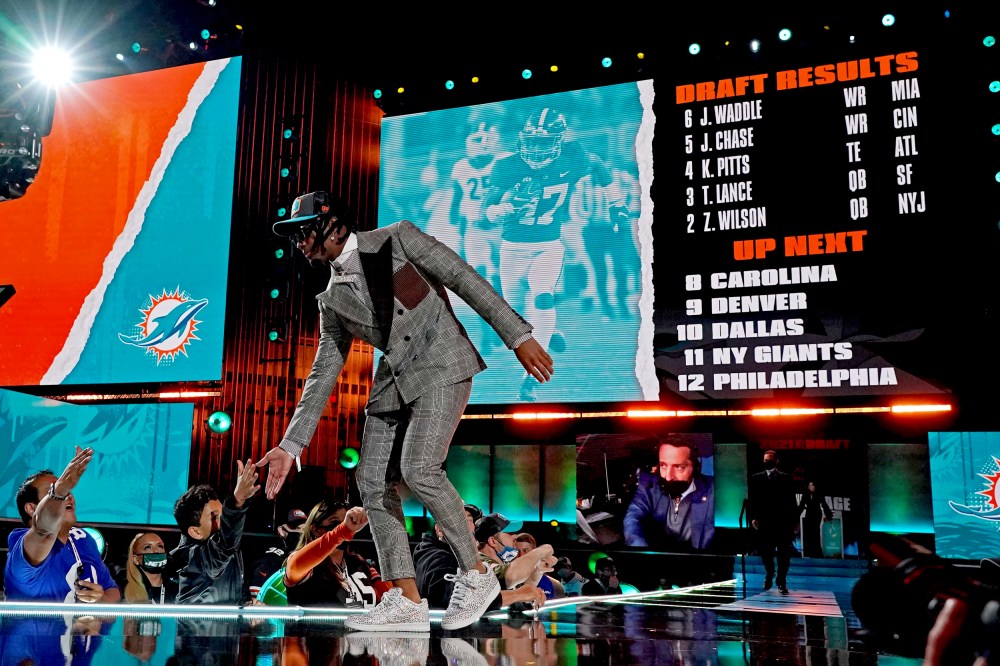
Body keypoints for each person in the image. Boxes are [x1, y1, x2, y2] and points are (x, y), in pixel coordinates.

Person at [257, 191, 554, 632]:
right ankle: (405, 599)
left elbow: (464, 279)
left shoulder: (398, 239)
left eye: (302, 230)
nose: (298, 241)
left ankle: (476, 575)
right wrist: (289, 444)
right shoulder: (331, 300)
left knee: (419, 469)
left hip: (442, 364)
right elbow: (323, 374)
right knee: (371, 480)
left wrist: (518, 336)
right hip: (393, 381)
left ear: (329, 221)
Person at [482, 107, 630, 401]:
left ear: (559, 140)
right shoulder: (507, 166)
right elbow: (487, 212)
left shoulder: (573, 159)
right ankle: (552, 329)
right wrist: (508, 209)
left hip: (549, 245)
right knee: (515, 317)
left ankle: (531, 378)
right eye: (531, 141)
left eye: (544, 142)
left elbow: (599, 166)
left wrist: (616, 203)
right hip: (511, 249)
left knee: (542, 295)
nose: (536, 149)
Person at [4, 446, 121, 603]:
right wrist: (59, 490)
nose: (68, 495)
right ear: (31, 509)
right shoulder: (22, 543)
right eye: (51, 491)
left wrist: (102, 601)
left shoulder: (84, 539)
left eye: (67, 491)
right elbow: (43, 529)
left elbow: (112, 592)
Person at [413, 504, 544, 611]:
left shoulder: (459, 559)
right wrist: (517, 594)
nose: (469, 526)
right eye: (460, 520)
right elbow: (453, 602)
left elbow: (490, 592)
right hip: (445, 640)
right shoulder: (438, 557)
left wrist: (520, 597)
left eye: (471, 521)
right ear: (439, 529)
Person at [170, 460, 259, 604]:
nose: (223, 522)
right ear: (195, 531)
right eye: (215, 517)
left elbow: (234, 597)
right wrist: (237, 501)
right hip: (194, 627)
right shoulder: (191, 558)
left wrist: (248, 605)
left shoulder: (230, 553)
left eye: (223, 515)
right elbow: (224, 547)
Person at [283, 499, 392, 608]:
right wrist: (343, 530)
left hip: (360, 624)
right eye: (335, 522)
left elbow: (391, 598)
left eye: (347, 521)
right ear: (315, 529)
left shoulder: (359, 563)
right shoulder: (303, 564)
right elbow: (295, 564)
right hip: (315, 625)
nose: (346, 525)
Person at [623, 439, 715, 552]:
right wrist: (645, 555)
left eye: (679, 467)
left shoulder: (713, 490)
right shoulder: (649, 486)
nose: (668, 477)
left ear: (695, 468)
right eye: (663, 466)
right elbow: (632, 519)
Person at [748, 449, 799, 594]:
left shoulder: (786, 478)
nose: (767, 462)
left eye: (769, 460)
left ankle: (781, 581)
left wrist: (794, 521)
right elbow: (753, 500)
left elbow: (792, 501)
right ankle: (770, 573)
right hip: (765, 522)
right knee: (766, 552)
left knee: (784, 553)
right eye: (765, 460)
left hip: (783, 522)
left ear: (776, 461)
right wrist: (753, 517)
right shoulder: (756, 478)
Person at [474, 513, 557, 593]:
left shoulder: (504, 563)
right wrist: (540, 551)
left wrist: (538, 570)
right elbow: (510, 578)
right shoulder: (479, 562)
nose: (515, 537)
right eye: (510, 533)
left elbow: (523, 593)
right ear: (493, 541)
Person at [244, 507, 307, 603]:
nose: (301, 532)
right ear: (281, 530)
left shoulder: (312, 557)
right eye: (296, 528)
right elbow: (259, 601)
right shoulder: (269, 561)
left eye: (304, 528)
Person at [122, 531, 176, 604]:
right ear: (136, 559)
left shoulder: (178, 589)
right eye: (148, 547)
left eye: (160, 546)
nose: (156, 551)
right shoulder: (123, 589)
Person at [797, 480, 833, 558]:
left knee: (815, 532)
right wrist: (796, 515)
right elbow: (801, 506)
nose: (812, 487)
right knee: (809, 533)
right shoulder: (805, 495)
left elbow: (824, 504)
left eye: (813, 485)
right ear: (808, 487)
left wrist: (829, 515)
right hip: (809, 514)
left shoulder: (819, 494)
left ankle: (818, 553)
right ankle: (810, 552)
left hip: (817, 514)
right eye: (811, 485)